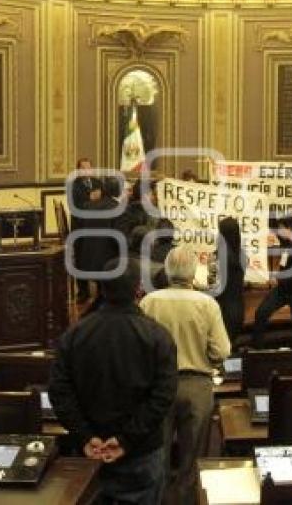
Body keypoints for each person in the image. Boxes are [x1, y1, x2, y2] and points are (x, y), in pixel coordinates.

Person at [49, 259, 177, 505]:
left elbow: (59, 392)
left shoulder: (74, 335)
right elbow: (163, 397)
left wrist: (86, 436)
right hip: (141, 452)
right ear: (138, 289)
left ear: (100, 289)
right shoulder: (158, 337)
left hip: (91, 452)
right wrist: (125, 440)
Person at [140, 247, 231, 505]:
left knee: (158, 454)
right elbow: (222, 350)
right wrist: (205, 360)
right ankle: (187, 498)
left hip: (158, 387)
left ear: (167, 270)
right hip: (196, 385)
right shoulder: (207, 304)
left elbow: (142, 347)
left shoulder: (150, 302)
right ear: (193, 272)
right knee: (193, 459)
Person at [253, 216, 292, 348]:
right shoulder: (286, 243)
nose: (278, 231)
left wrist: (278, 277)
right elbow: (272, 224)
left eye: (281, 228)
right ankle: (257, 348)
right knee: (261, 312)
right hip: (282, 290)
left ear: (289, 229)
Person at [71, 158, 102, 303]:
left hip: (97, 225)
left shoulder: (97, 183)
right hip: (81, 227)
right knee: (81, 257)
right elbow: (77, 207)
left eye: (89, 168)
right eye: (84, 168)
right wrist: (91, 198)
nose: (87, 171)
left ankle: (101, 289)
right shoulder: (74, 185)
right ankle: (83, 291)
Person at [213, 217, 248, 342]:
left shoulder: (223, 257)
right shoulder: (242, 254)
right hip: (238, 308)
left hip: (224, 312)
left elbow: (217, 287)